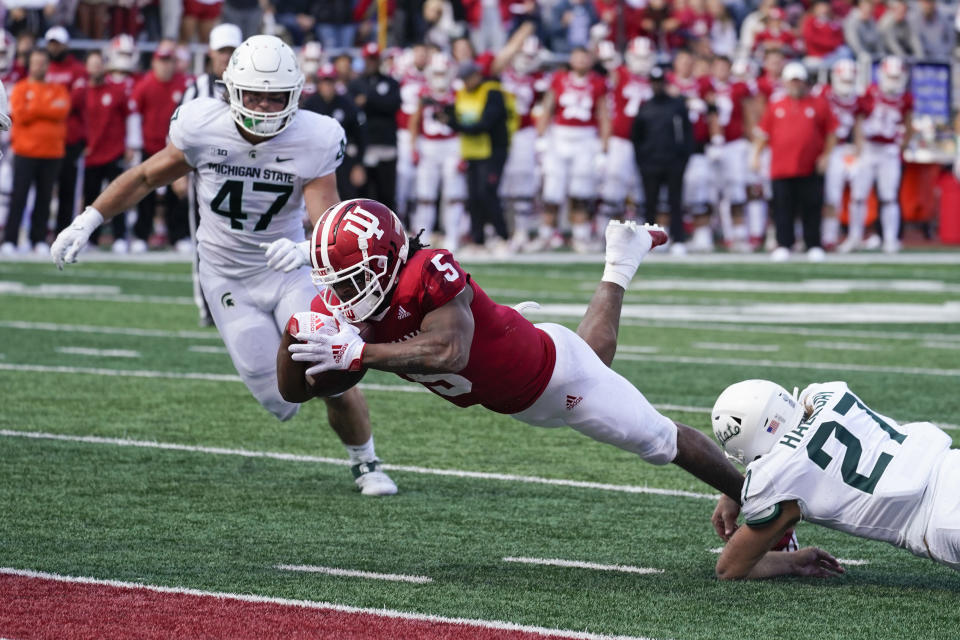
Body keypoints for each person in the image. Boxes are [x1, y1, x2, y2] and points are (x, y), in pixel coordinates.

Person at [49, 35, 397, 498]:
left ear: (295, 95)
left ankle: (366, 462)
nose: (265, 106)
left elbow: (327, 217)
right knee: (280, 399)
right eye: (254, 93)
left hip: (288, 268)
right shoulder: (202, 125)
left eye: (276, 96)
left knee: (330, 364)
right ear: (230, 90)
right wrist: (88, 219)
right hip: (226, 274)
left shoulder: (314, 136)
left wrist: (310, 247)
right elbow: (147, 176)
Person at [279, 200, 746, 510]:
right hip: (515, 390)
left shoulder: (427, 269)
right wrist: (294, 340)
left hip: (557, 377)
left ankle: (759, 500)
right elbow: (299, 390)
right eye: (334, 281)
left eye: (352, 278)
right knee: (594, 359)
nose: (341, 293)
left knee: (658, 440)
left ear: (389, 259)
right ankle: (622, 258)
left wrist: (357, 352)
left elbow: (450, 352)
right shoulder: (347, 307)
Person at [710, 379, 959, 579]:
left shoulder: (774, 477)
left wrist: (791, 562)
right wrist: (735, 489)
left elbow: (729, 568)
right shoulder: (828, 393)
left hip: (940, 521)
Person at [753, 62, 836, 262]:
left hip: (810, 166)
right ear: (785, 83)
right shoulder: (776, 105)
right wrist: (755, 155)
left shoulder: (818, 104)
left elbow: (831, 132)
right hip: (781, 167)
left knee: (812, 207)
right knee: (783, 208)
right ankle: (784, 244)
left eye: (799, 81)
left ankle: (813, 244)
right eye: (792, 81)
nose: (796, 85)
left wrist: (826, 155)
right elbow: (763, 133)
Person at [1, 48, 70, 255]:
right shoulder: (21, 88)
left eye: (42, 62)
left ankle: (38, 239)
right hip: (25, 151)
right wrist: (45, 108)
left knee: (44, 197)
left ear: (48, 65)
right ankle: (10, 239)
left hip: (51, 152)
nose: (39, 65)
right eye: (36, 61)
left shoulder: (58, 89)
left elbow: (62, 109)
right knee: (18, 197)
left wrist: (36, 108)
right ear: (29, 64)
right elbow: (20, 115)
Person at [842, 55, 912, 254]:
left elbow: (908, 124)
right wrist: (858, 144)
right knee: (858, 196)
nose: (893, 81)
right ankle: (854, 236)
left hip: (889, 151)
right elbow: (859, 119)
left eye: (897, 77)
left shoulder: (905, 98)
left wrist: (902, 146)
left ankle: (890, 239)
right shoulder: (870, 93)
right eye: (891, 76)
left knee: (889, 197)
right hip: (869, 148)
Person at [442, 60, 512, 253]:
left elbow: (485, 123)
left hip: (492, 150)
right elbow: (458, 117)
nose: (465, 83)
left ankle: (502, 236)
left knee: (487, 193)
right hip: (472, 151)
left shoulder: (492, 91)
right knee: (473, 196)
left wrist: (455, 124)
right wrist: (447, 117)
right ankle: (477, 238)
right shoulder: (463, 93)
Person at [631, 66, 692, 252]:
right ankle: (649, 240)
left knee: (675, 201)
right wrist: (641, 162)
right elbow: (636, 137)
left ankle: (678, 239)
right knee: (650, 202)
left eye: (660, 83)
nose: (657, 86)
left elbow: (687, 134)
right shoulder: (645, 107)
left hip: (673, 162)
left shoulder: (677, 105)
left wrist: (683, 159)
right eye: (654, 83)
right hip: (651, 163)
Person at [348, 44, 401, 213]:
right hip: (363, 145)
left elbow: (393, 105)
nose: (371, 63)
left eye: (374, 59)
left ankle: (388, 230)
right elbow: (351, 109)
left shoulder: (391, 83)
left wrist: (369, 100)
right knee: (362, 192)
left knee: (386, 192)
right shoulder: (355, 84)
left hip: (385, 144)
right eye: (368, 59)